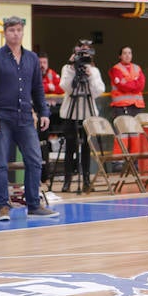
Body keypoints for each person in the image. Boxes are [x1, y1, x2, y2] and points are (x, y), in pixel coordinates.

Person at [0, 16, 59, 221]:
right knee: (0, 163)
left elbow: (37, 89)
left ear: (23, 32)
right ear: (5, 33)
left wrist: (44, 112)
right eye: (11, 30)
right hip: (1, 118)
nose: (15, 34)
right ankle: (3, 207)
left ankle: (34, 205)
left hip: (25, 117)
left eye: (18, 30)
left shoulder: (32, 58)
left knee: (34, 160)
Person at [59, 42, 105, 193]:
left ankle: (86, 179)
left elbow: (98, 91)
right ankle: (67, 180)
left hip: (87, 115)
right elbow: (66, 87)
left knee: (86, 148)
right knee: (70, 148)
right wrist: (73, 69)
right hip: (70, 115)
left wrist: (90, 76)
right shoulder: (67, 69)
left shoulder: (94, 71)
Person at [109, 46, 145, 118]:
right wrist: (135, 82)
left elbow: (141, 85)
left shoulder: (137, 68)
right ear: (120, 56)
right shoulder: (116, 69)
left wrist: (128, 81)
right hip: (121, 107)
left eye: (129, 53)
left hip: (137, 106)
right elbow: (123, 86)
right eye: (125, 53)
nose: (127, 55)